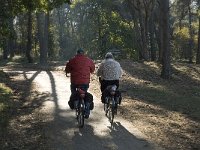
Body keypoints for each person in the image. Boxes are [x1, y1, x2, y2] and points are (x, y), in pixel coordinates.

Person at [65, 48, 95, 118]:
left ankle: (75, 104)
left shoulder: (72, 60)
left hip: (74, 82)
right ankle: (87, 107)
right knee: (84, 93)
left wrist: (68, 72)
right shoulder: (89, 60)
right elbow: (92, 69)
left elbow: (67, 69)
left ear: (77, 53)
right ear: (83, 53)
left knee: (74, 93)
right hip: (85, 82)